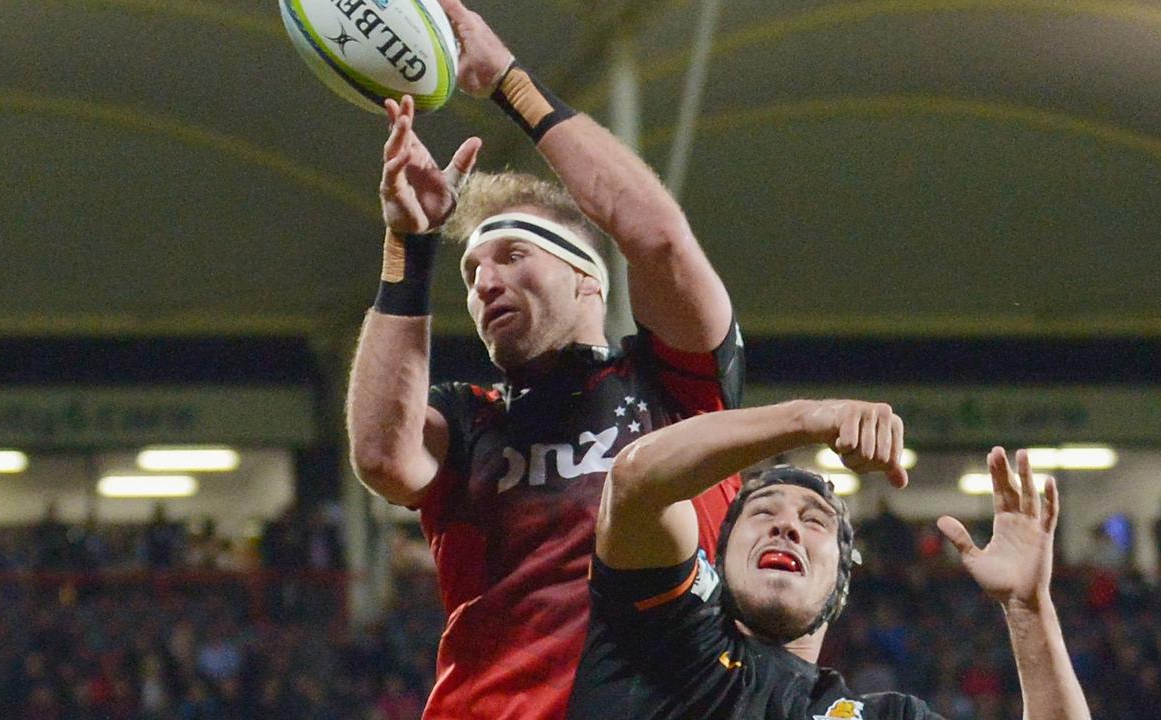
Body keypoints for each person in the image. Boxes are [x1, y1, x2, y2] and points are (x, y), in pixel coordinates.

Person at [345, 0, 743, 716]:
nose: (485, 282)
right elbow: (380, 456)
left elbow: (656, 239)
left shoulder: (675, 385)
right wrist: (409, 244)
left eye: (513, 256)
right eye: (469, 274)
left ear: (587, 276)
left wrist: (508, 83)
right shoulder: (474, 421)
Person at [567, 399, 1091, 720]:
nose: (787, 525)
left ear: (840, 584)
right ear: (718, 561)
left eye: (815, 520)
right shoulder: (660, 639)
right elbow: (636, 482)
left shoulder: (887, 716)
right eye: (763, 511)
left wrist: (1028, 609)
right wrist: (813, 418)